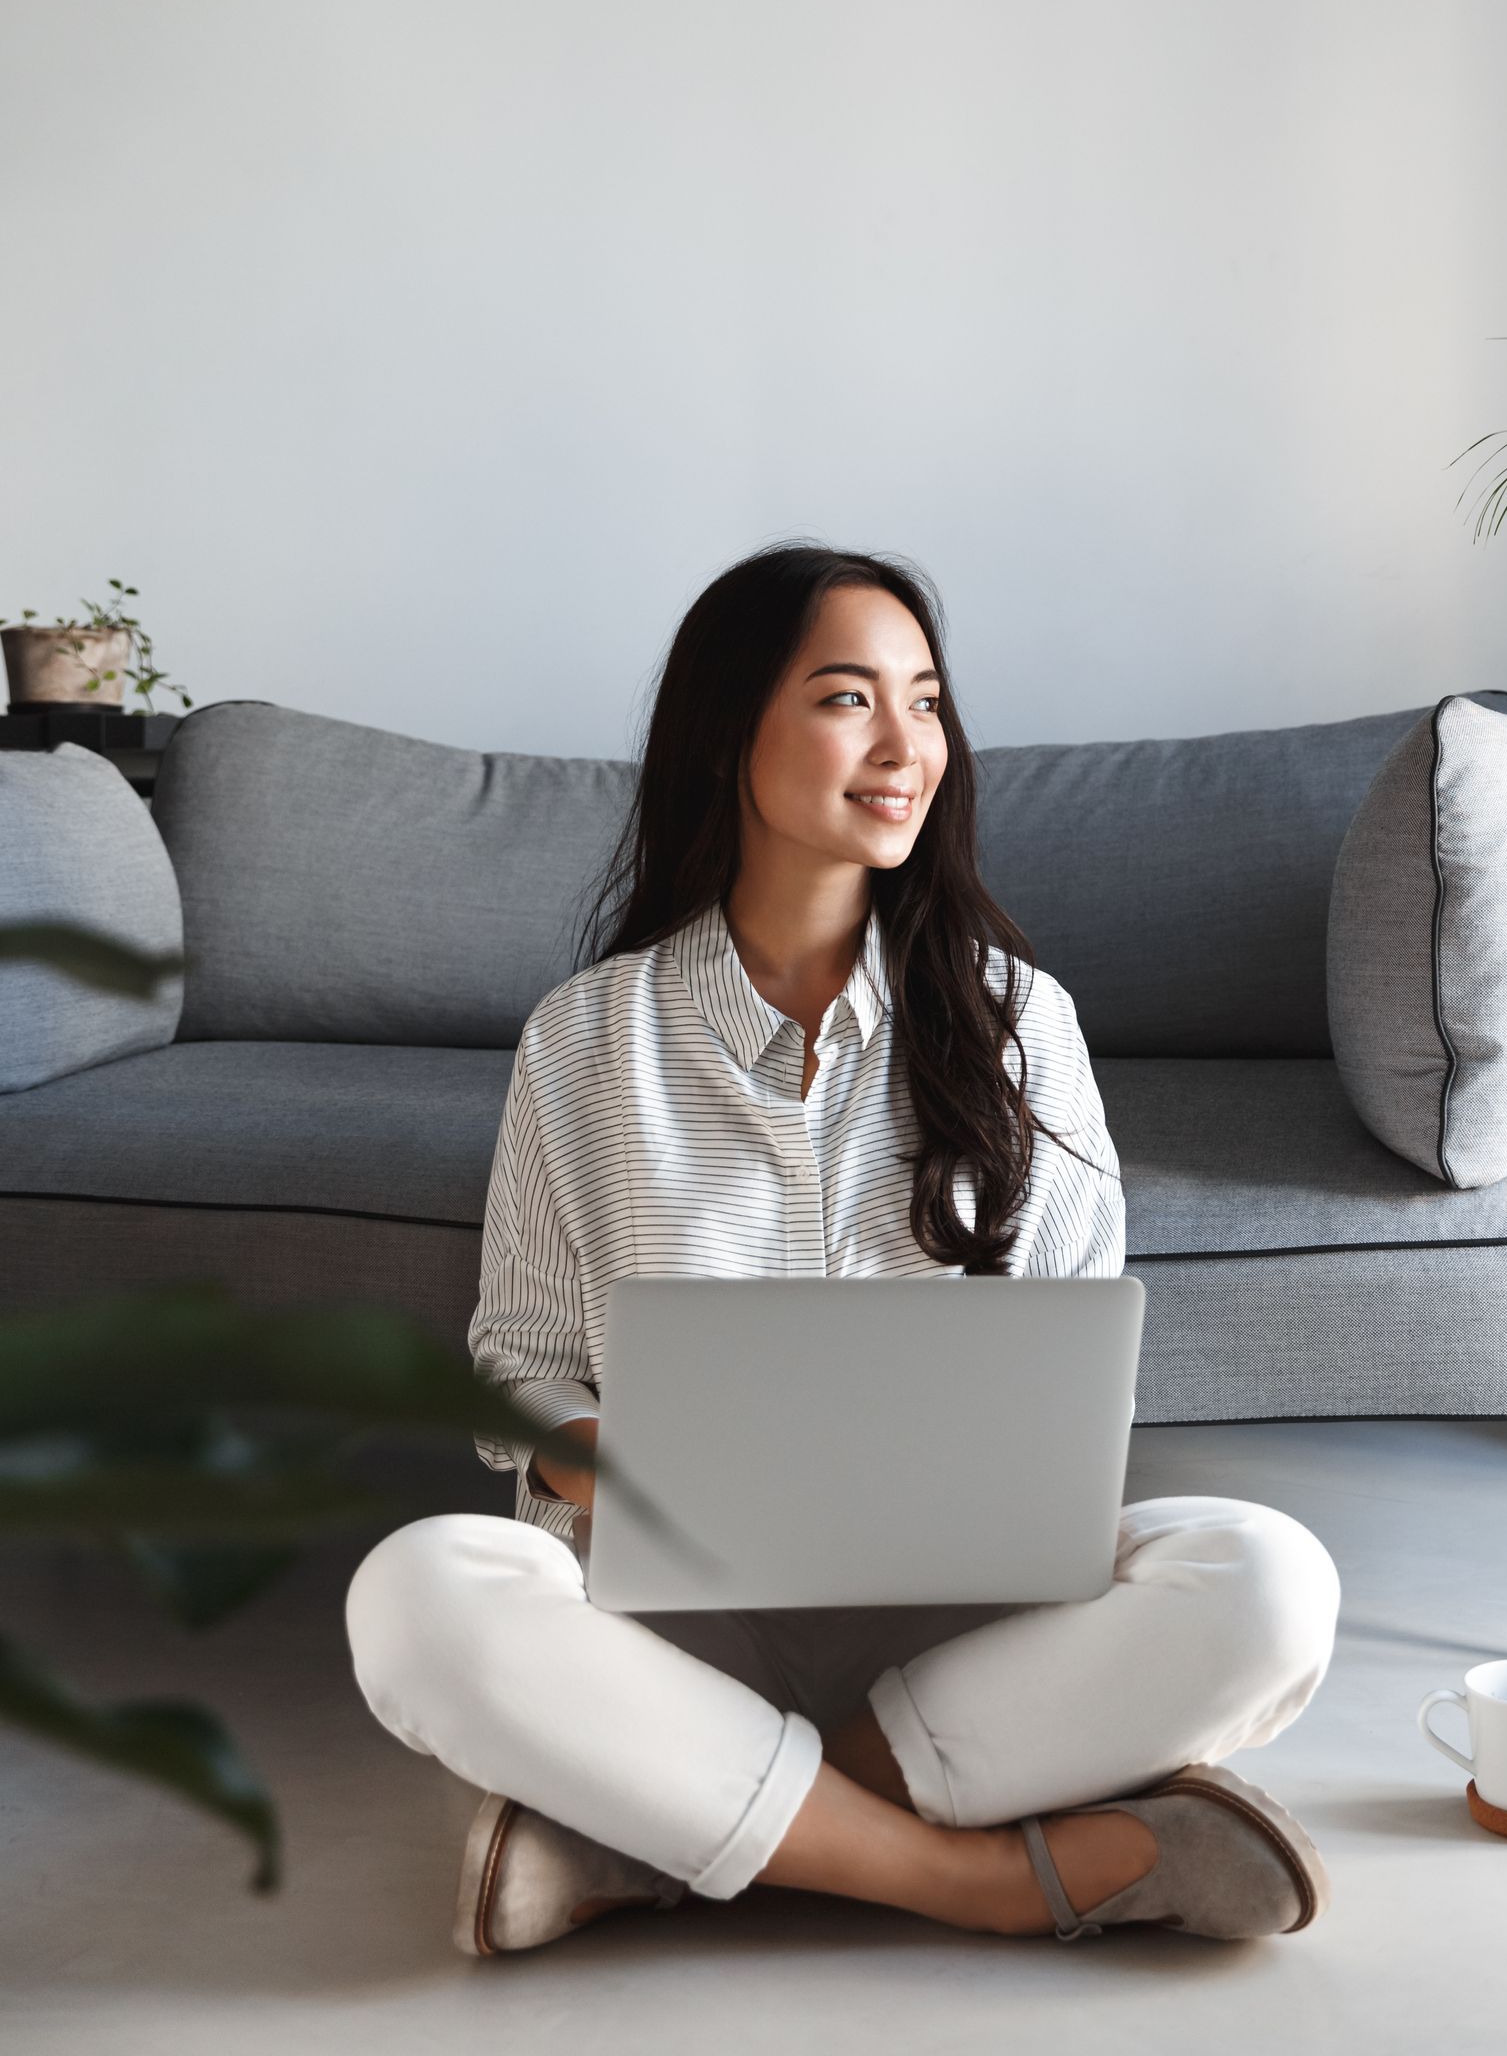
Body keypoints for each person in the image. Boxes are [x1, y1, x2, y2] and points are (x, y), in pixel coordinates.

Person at [345, 545, 1340, 1957]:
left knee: (1272, 1579)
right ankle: (980, 1875)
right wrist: (616, 1460)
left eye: (925, 701)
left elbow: (1080, 1360)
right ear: (726, 735)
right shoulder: (585, 1036)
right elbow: (515, 1365)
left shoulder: (1020, 1022)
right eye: (846, 698)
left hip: (967, 1638)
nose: (904, 746)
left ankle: (648, 1837)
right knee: (415, 1598)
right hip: (678, 1628)